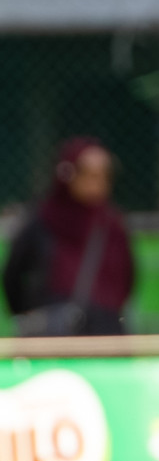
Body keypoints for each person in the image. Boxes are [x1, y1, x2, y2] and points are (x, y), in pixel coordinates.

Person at [3, 137, 135, 337]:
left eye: (104, 175)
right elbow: (14, 277)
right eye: (87, 174)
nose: (96, 183)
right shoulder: (42, 221)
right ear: (68, 174)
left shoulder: (112, 225)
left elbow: (127, 279)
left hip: (105, 334)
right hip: (52, 334)